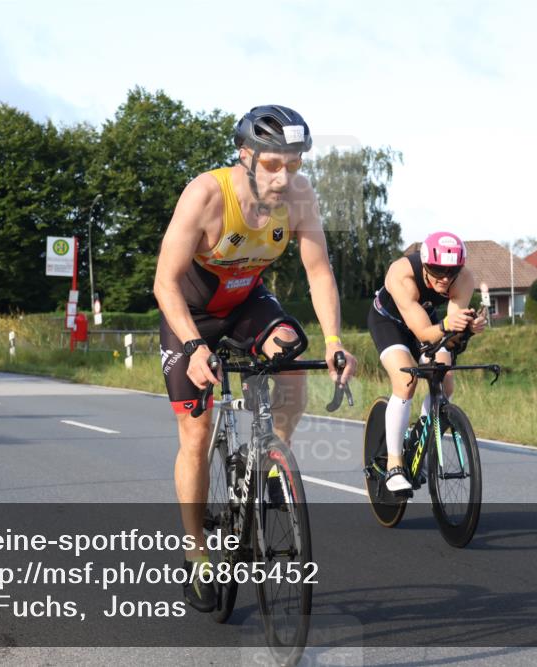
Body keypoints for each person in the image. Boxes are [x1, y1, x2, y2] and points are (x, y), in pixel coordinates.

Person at [153, 104, 357, 612]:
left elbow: (319, 272)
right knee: (196, 433)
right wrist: (194, 348)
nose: (284, 177)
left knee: (289, 347)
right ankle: (196, 552)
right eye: (272, 164)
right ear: (245, 156)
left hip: (244, 301)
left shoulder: (300, 197)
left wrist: (334, 340)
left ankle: (271, 460)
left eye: (295, 163)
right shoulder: (206, 195)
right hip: (191, 315)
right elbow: (165, 283)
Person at [367, 231, 487, 492]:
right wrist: (447, 325)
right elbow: (423, 333)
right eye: (437, 271)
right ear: (425, 265)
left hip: (427, 321)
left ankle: (421, 442)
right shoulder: (402, 274)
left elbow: (450, 337)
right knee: (405, 381)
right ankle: (394, 465)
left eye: (451, 271)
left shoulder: (464, 279)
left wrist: (468, 328)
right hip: (389, 322)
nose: (445, 278)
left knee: (445, 381)